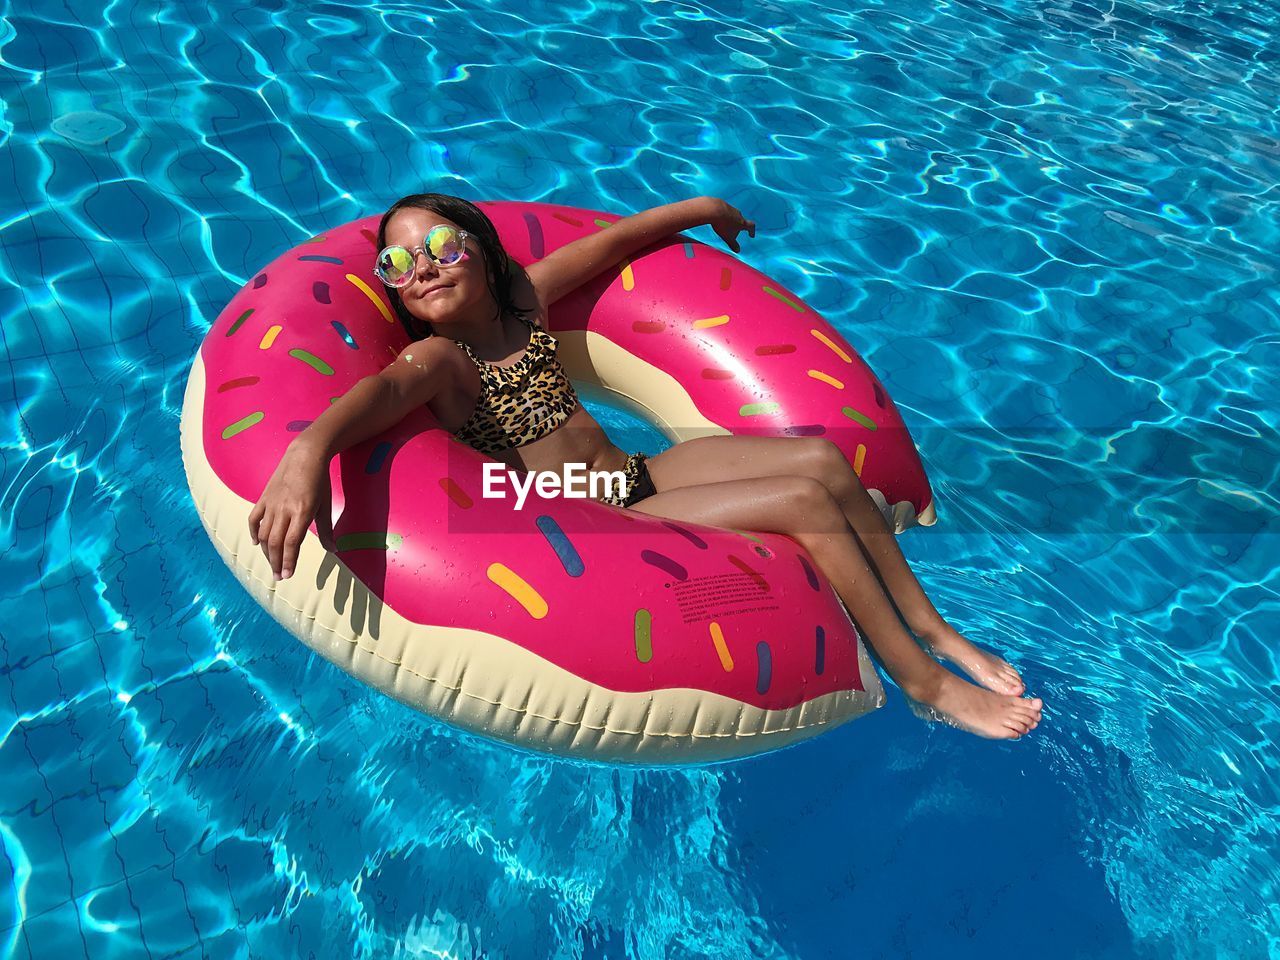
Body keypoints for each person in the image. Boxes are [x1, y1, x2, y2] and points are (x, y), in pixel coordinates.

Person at [248, 192, 1043, 740]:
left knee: (823, 461)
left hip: (634, 473)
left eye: (440, 247)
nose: (421, 268)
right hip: (599, 516)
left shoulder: (523, 305)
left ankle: (936, 627)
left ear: (483, 256)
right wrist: (305, 453)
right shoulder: (440, 361)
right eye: (397, 265)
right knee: (802, 498)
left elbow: (608, 247)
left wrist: (700, 212)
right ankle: (924, 683)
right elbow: (380, 393)